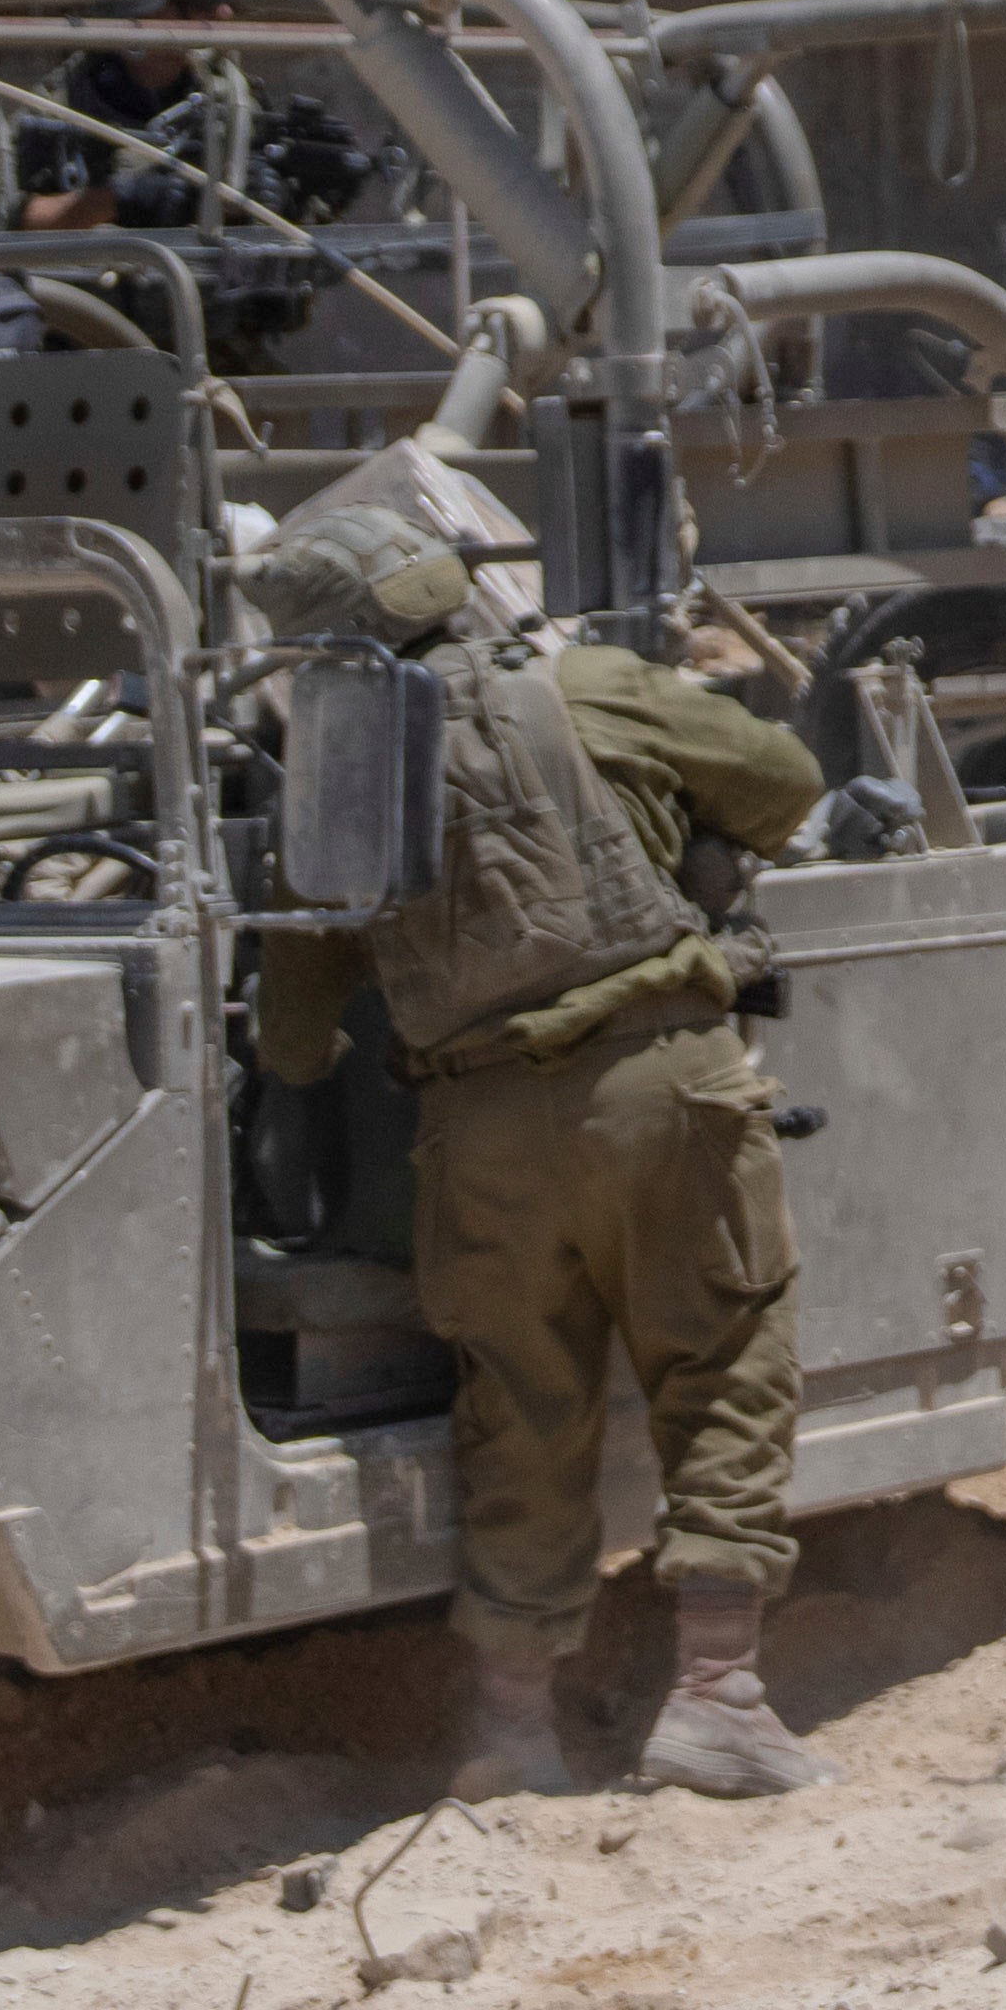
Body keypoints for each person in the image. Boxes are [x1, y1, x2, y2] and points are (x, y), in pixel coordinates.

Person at [239, 507, 840, 1801]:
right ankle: (718, 1699)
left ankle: (513, 1733)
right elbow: (785, 782)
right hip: (659, 1085)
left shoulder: (331, 778)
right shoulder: (585, 686)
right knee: (724, 1361)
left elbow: (292, 1031)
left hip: (481, 1131)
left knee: (516, 1408)